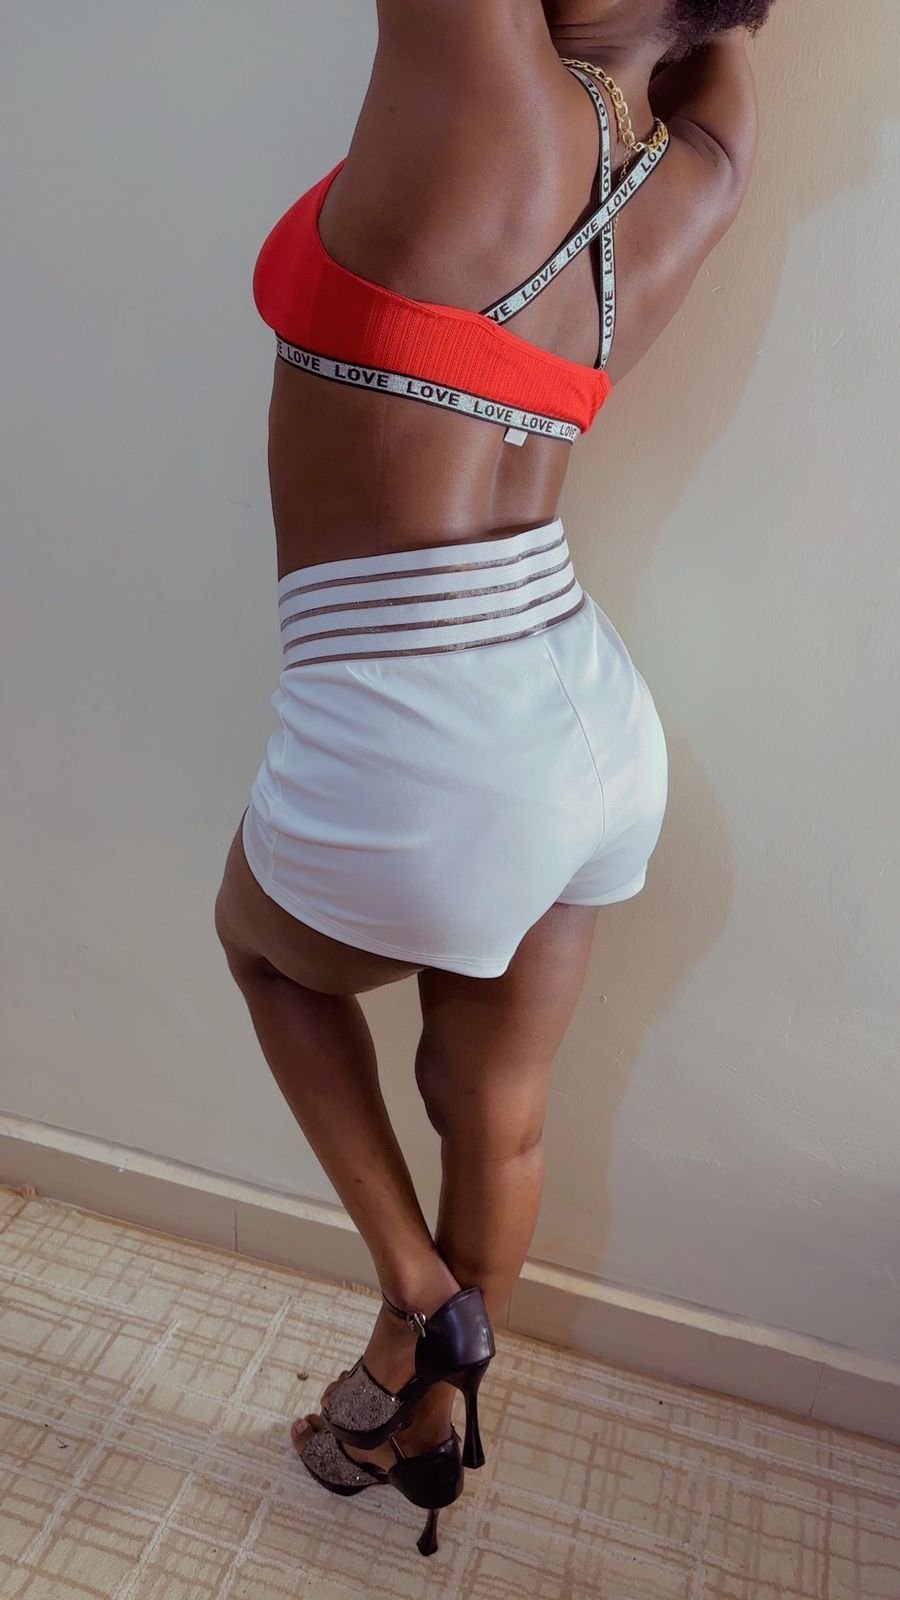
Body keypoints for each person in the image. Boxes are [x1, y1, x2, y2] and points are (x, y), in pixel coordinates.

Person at [214, 0, 773, 1557]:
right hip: (583, 715)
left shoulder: (491, 91)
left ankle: (417, 1295)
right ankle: (413, 1400)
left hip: (421, 713)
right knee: (494, 1108)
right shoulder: (702, 167)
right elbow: (718, 52)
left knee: (264, 954)